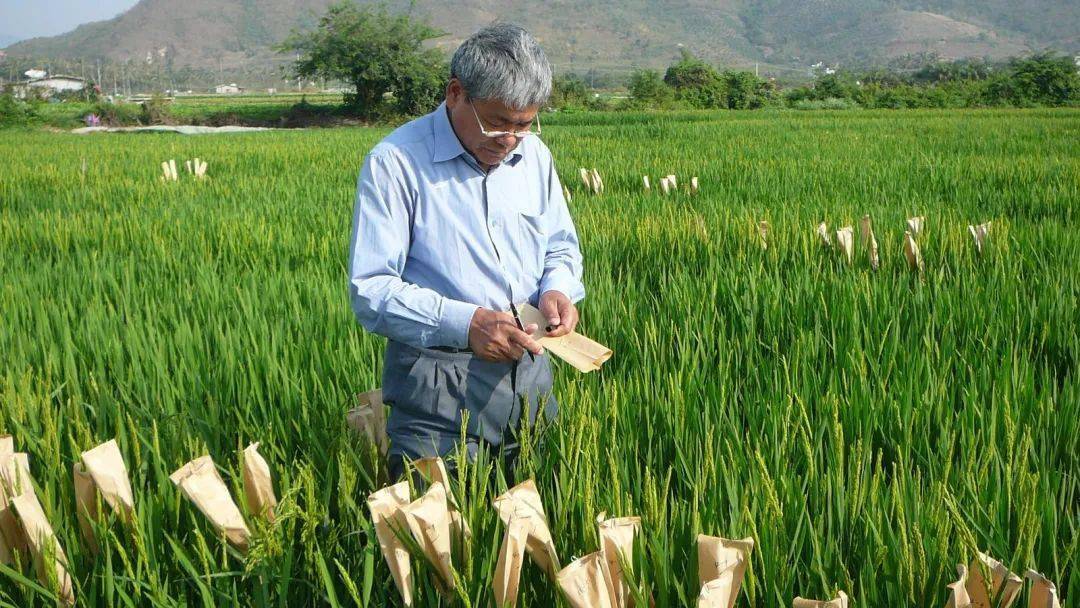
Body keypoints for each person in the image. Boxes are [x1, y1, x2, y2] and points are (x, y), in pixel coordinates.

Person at [348, 23, 585, 480]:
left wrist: (558, 288)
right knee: (441, 540)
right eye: (497, 122)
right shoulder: (396, 163)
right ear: (456, 93)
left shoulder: (534, 156)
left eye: (524, 124)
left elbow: (560, 244)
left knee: (534, 529)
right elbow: (371, 290)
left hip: (530, 384)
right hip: (438, 396)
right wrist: (469, 324)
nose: (510, 139)